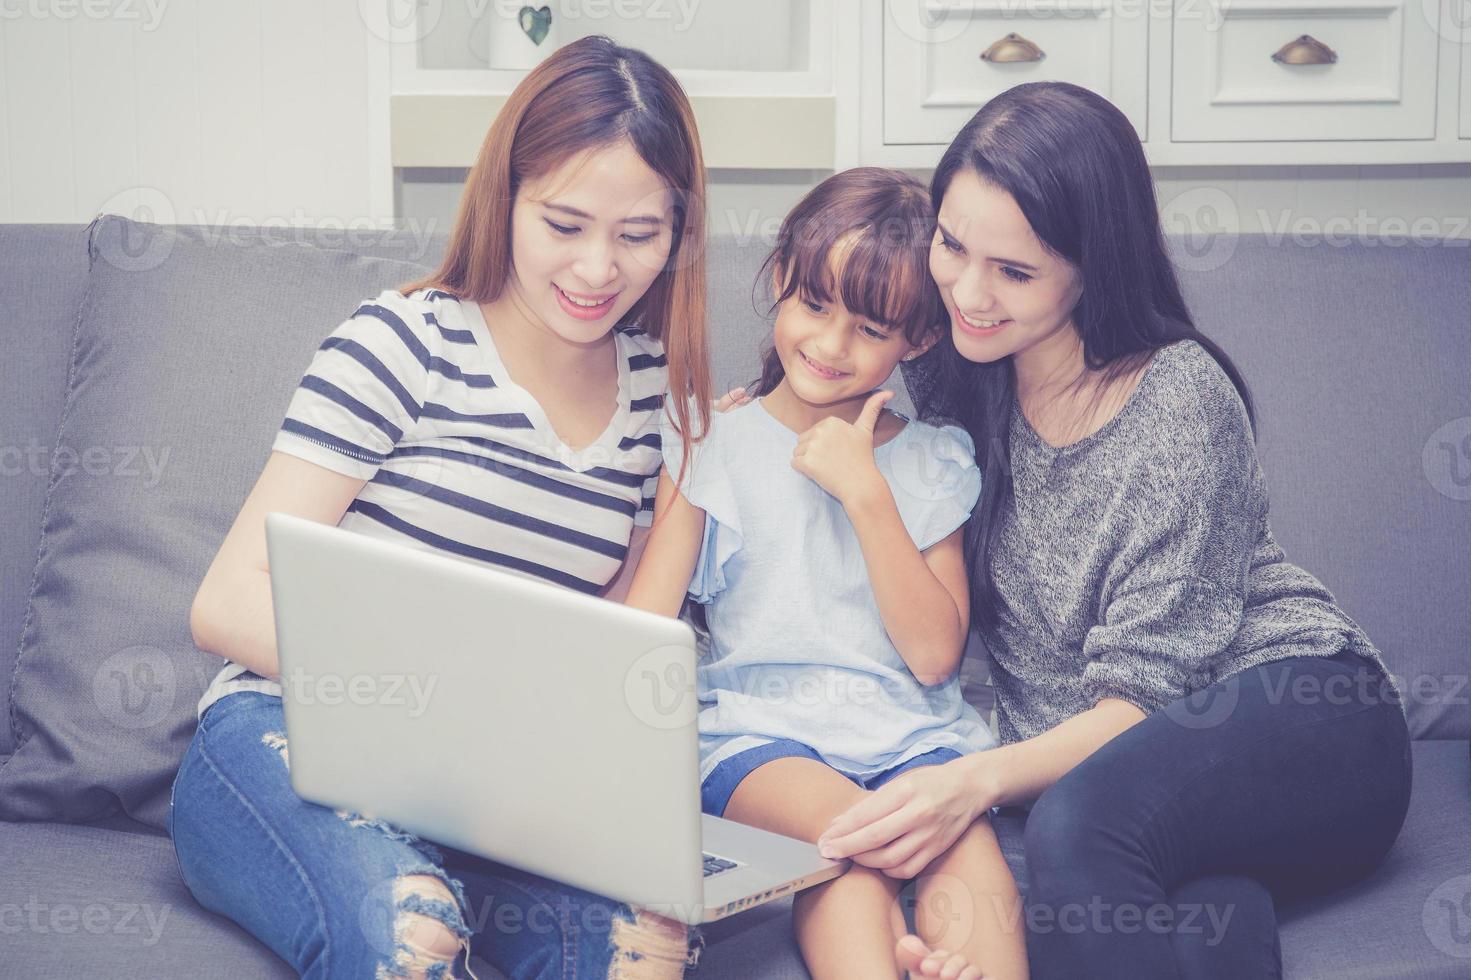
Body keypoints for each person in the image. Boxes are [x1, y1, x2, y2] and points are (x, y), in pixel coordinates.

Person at [814, 82, 1413, 980]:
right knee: (1157, 916)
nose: (967, 292)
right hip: (1158, 795)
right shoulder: (957, 369)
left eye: (1013, 272)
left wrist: (971, 779)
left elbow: (1145, 698)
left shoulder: (1176, 398)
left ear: (1092, 266)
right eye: (951, 243)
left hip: (1304, 720)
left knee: (1073, 828)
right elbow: (823, 357)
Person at [169, 36, 717, 980]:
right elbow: (224, 604)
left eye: (638, 235)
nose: (598, 269)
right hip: (285, 736)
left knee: (646, 945)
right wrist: (448, 692)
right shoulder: (401, 343)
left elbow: (615, 653)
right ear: (504, 198)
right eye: (564, 223)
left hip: (495, 793)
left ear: (678, 233)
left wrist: (716, 453)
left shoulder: (655, 401)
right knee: (410, 931)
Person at [626, 168, 1028, 980]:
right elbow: (640, 622)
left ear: (917, 341)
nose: (830, 346)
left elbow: (932, 657)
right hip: (760, 739)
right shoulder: (714, 440)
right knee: (851, 847)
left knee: (975, 879)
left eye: (870, 328)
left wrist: (866, 493)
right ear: (780, 279)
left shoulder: (930, 460)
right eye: (814, 306)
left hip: (916, 740)